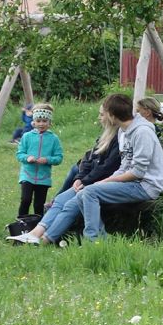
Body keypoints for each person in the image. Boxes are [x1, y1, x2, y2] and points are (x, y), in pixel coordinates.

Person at [11, 102, 122, 245]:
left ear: (111, 116)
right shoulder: (105, 135)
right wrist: (80, 178)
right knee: (60, 199)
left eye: (101, 114)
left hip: (100, 183)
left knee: (69, 204)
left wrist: (85, 180)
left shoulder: (119, 138)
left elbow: (106, 167)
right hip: (87, 180)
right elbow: (88, 158)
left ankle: (46, 239)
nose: (99, 118)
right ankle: (34, 233)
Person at [16, 103, 64, 218]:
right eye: (38, 121)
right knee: (26, 200)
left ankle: (38, 225)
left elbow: (59, 157)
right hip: (27, 175)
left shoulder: (54, 139)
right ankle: (21, 223)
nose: (41, 124)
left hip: (44, 178)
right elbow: (19, 154)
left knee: (39, 204)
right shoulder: (27, 136)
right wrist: (27, 158)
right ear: (33, 122)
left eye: (44, 121)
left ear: (50, 122)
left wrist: (47, 160)